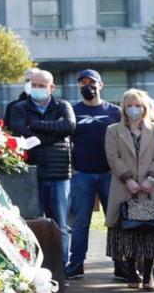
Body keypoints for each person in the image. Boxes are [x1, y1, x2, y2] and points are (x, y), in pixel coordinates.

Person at [7, 69, 75, 268]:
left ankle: (61, 267)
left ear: (51, 87)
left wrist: (35, 127)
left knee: (60, 225)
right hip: (31, 173)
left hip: (59, 173)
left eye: (41, 85)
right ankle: (35, 265)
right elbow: (20, 133)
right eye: (33, 85)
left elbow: (69, 127)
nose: (37, 89)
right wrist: (53, 132)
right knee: (32, 223)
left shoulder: (63, 106)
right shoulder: (19, 108)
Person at [104, 89, 154, 290]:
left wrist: (150, 178)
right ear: (124, 107)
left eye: (138, 105)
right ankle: (131, 271)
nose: (134, 109)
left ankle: (148, 273)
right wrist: (128, 179)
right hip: (125, 188)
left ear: (145, 107)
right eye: (130, 105)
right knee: (128, 229)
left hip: (150, 188)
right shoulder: (113, 130)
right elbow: (113, 157)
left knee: (150, 230)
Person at [65, 69, 121, 279]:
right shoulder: (71, 110)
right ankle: (77, 263)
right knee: (80, 222)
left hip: (110, 174)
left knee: (115, 220)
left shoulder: (114, 111)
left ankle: (121, 263)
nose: (87, 86)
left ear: (101, 85)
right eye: (83, 83)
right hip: (82, 174)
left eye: (92, 82)